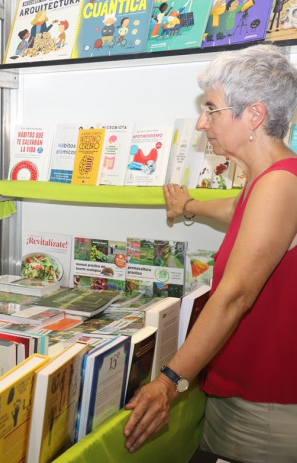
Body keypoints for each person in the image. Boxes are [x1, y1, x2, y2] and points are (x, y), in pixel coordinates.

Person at [124, 45, 297, 462]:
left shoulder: (280, 183)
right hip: (240, 393)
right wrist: (188, 206)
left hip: (262, 407)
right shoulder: (268, 179)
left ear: (254, 116)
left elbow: (236, 295)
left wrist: (168, 381)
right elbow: (236, 208)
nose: (203, 122)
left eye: (213, 109)